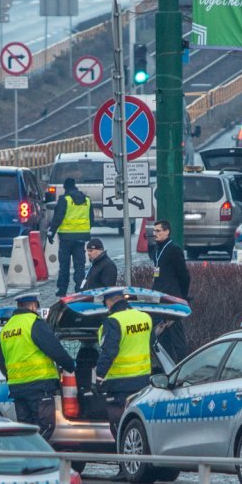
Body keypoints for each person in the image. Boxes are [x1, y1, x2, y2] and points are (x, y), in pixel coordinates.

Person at [0, 292, 77, 440]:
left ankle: (28, 459)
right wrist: (70, 365)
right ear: (34, 305)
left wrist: (15, 377)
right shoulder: (34, 322)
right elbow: (54, 349)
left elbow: (2, 364)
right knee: (45, 426)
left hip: (17, 389)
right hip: (39, 387)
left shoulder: (6, 329)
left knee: (26, 430)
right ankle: (37, 459)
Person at [94, 287, 153, 439]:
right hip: (143, 382)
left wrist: (99, 377)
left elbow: (108, 351)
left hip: (119, 385)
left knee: (120, 427)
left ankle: (124, 458)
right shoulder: (145, 317)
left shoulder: (113, 321)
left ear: (109, 302)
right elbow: (151, 343)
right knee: (139, 424)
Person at [148, 220, 190, 360]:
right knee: (161, 336)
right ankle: (168, 366)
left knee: (177, 337)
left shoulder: (174, 250)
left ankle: (183, 366)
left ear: (167, 232)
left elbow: (184, 276)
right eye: (154, 231)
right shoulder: (156, 250)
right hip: (158, 299)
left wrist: (182, 296)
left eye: (158, 231)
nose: (155, 234)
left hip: (172, 300)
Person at [48, 177, 93, 295]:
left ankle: (62, 290)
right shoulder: (87, 200)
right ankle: (80, 289)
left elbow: (58, 217)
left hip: (66, 238)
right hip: (81, 238)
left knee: (64, 266)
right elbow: (91, 219)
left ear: (65, 187)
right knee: (80, 266)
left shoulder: (64, 200)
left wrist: (51, 233)